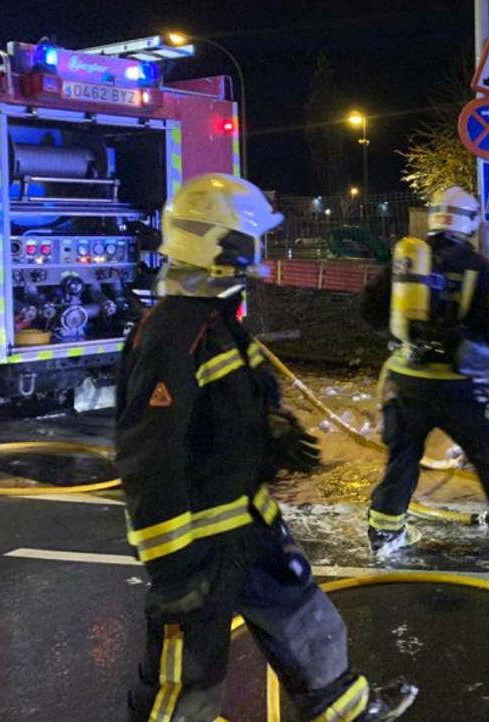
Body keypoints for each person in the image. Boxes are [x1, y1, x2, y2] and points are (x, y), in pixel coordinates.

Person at [115, 174, 416, 721]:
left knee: (309, 624)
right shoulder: (172, 332)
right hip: (199, 542)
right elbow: (149, 454)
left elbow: (221, 413)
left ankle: (346, 711)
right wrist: (170, 558)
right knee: (184, 678)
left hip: (247, 524)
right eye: (255, 239)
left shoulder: (213, 320)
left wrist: (271, 438)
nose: (263, 253)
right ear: (225, 246)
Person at [360, 186, 489, 562]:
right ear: (470, 222)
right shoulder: (477, 267)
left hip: (406, 381)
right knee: (488, 456)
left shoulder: (407, 258)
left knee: (403, 457)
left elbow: (370, 312)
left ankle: (384, 532)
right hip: (460, 386)